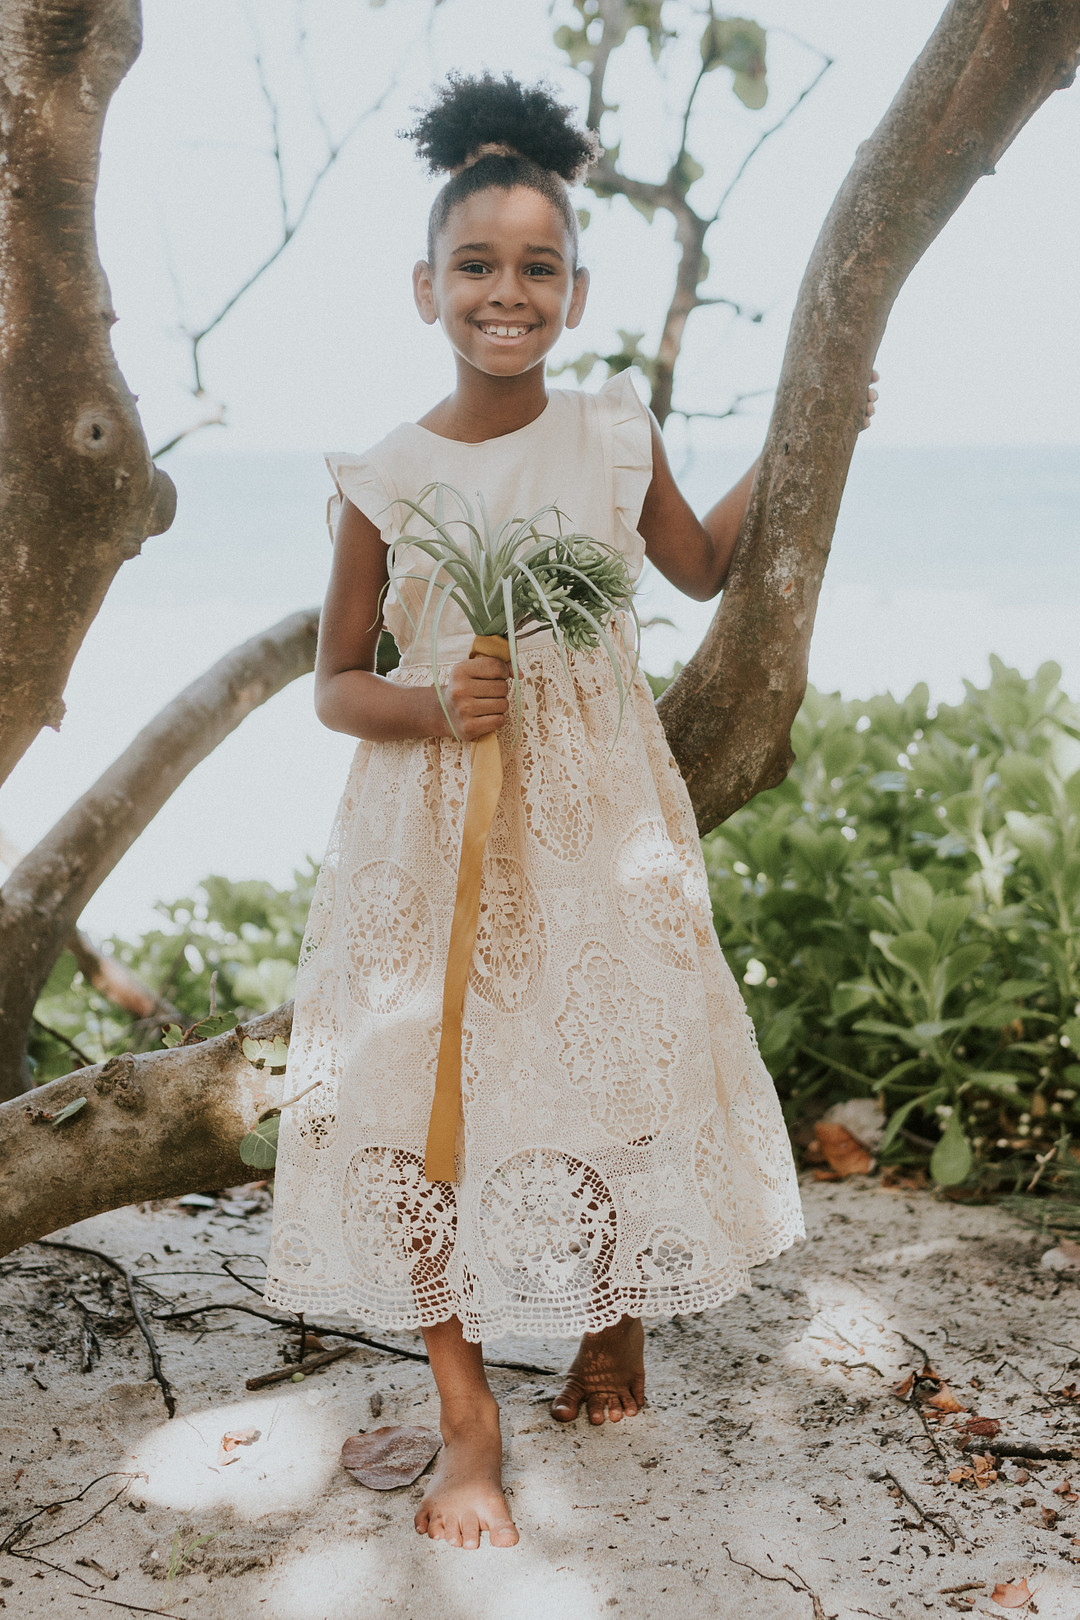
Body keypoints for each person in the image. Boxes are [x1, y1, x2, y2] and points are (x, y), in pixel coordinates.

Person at [264, 71, 877, 1552]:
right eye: (477, 265)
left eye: (537, 267)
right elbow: (336, 683)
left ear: (577, 289)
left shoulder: (612, 432)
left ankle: (609, 1316)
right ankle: (467, 1408)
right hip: (433, 828)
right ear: (427, 287)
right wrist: (429, 706)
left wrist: (821, 431)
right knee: (425, 1099)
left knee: (611, 1063)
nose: (506, 291)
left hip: (598, 818)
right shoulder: (383, 477)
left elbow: (704, 570)